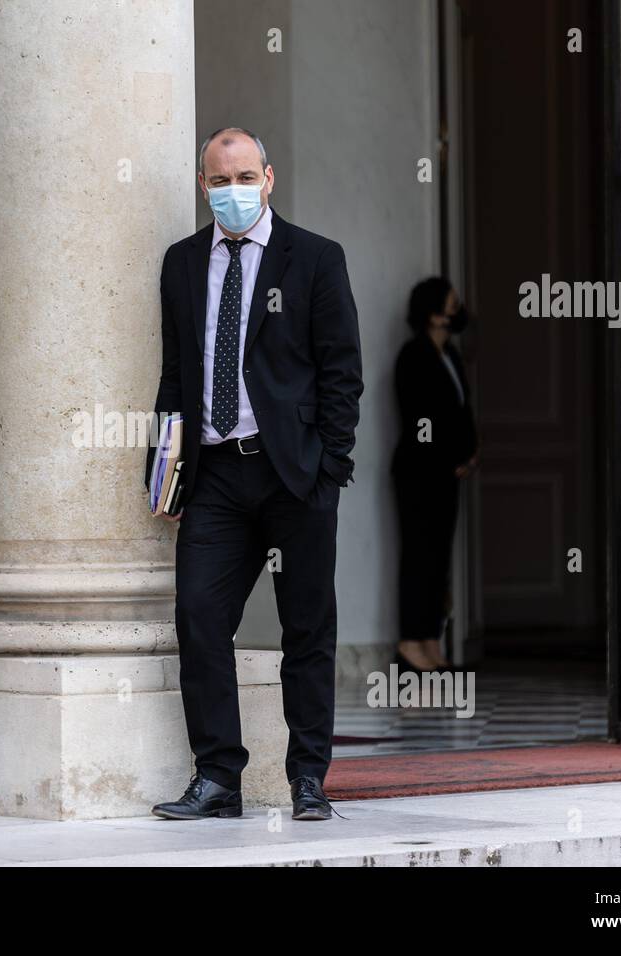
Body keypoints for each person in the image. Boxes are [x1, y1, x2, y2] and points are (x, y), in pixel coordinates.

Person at [146, 127, 363, 821]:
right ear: (203, 185)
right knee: (200, 619)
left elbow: (342, 373)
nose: (231, 191)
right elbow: (175, 375)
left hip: (293, 475)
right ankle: (217, 779)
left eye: (243, 178)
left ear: (268, 179)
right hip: (215, 480)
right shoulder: (181, 263)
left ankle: (308, 779)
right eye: (218, 180)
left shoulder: (316, 260)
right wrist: (167, 476)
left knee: (307, 628)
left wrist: (328, 466)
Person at [391, 277, 478, 673]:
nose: (457, 308)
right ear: (432, 312)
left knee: (438, 557)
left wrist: (469, 452)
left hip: (446, 475)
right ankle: (411, 641)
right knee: (419, 556)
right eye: (451, 302)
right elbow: (419, 417)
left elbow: (461, 412)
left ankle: (430, 639)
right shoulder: (414, 356)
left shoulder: (451, 355)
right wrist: (446, 456)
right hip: (419, 474)